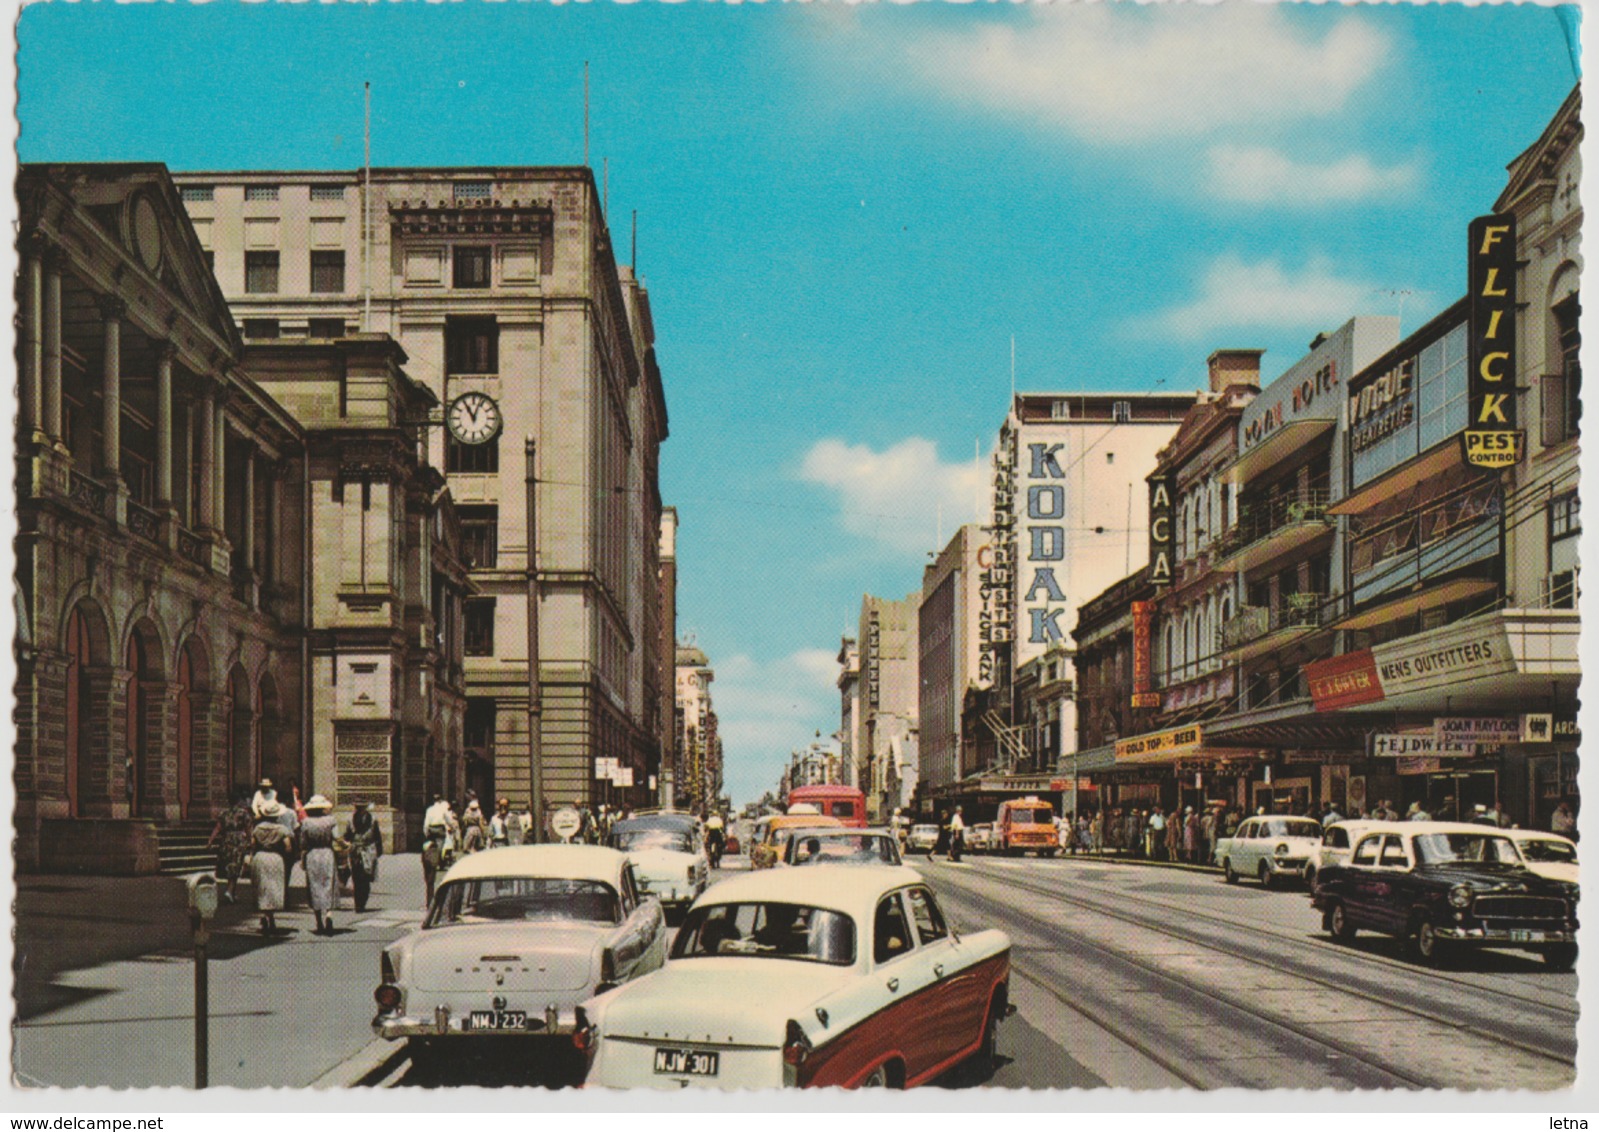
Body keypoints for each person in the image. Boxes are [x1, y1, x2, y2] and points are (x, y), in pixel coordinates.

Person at [299, 794, 341, 935]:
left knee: (314, 886)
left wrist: (302, 858)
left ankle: (318, 921)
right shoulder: (331, 821)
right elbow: (337, 837)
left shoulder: (306, 822)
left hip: (312, 855)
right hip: (327, 854)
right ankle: (329, 914)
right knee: (329, 883)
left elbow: (303, 843)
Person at [250, 801, 294, 934]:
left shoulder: (257, 829)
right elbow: (288, 847)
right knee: (274, 887)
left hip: (261, 857)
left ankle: (265, 915)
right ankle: (271, 916)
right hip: (275, 858)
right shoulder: (282, 829)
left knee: (261, 886)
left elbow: (252, 845)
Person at [207, 787, 254, 904]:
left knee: (230, 865)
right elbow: (248, 829)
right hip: (238, 841)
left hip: (226, 840)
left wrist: (210, 841)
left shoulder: (224, 813)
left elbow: (218, 828)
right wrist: (251, 841)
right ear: (238, 801)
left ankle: (233, 892)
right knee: (236, 866)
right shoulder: (243, 813)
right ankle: (229, 891)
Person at [343, 801, 384, 913]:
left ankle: (363, 900)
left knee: (366, 878)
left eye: (361, 807)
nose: (359, 810)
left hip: (368, 850)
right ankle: (358, 904)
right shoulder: (350, 819)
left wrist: (378, 851)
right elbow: (347, 835)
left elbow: (377, 835)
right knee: (356, 877)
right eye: (357, 807)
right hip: (355, 851)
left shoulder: (372, 820)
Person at [421, 793, 451, 907]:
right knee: (440, 846)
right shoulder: (443, 808)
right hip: (440, 829)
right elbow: (448, 819)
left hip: (431, 829)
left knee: (431, 847)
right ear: (440, 800)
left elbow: (426, 823)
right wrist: (451, 828)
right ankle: (439, 860)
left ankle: (434, 860)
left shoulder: (430, 809)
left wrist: (427, 834)